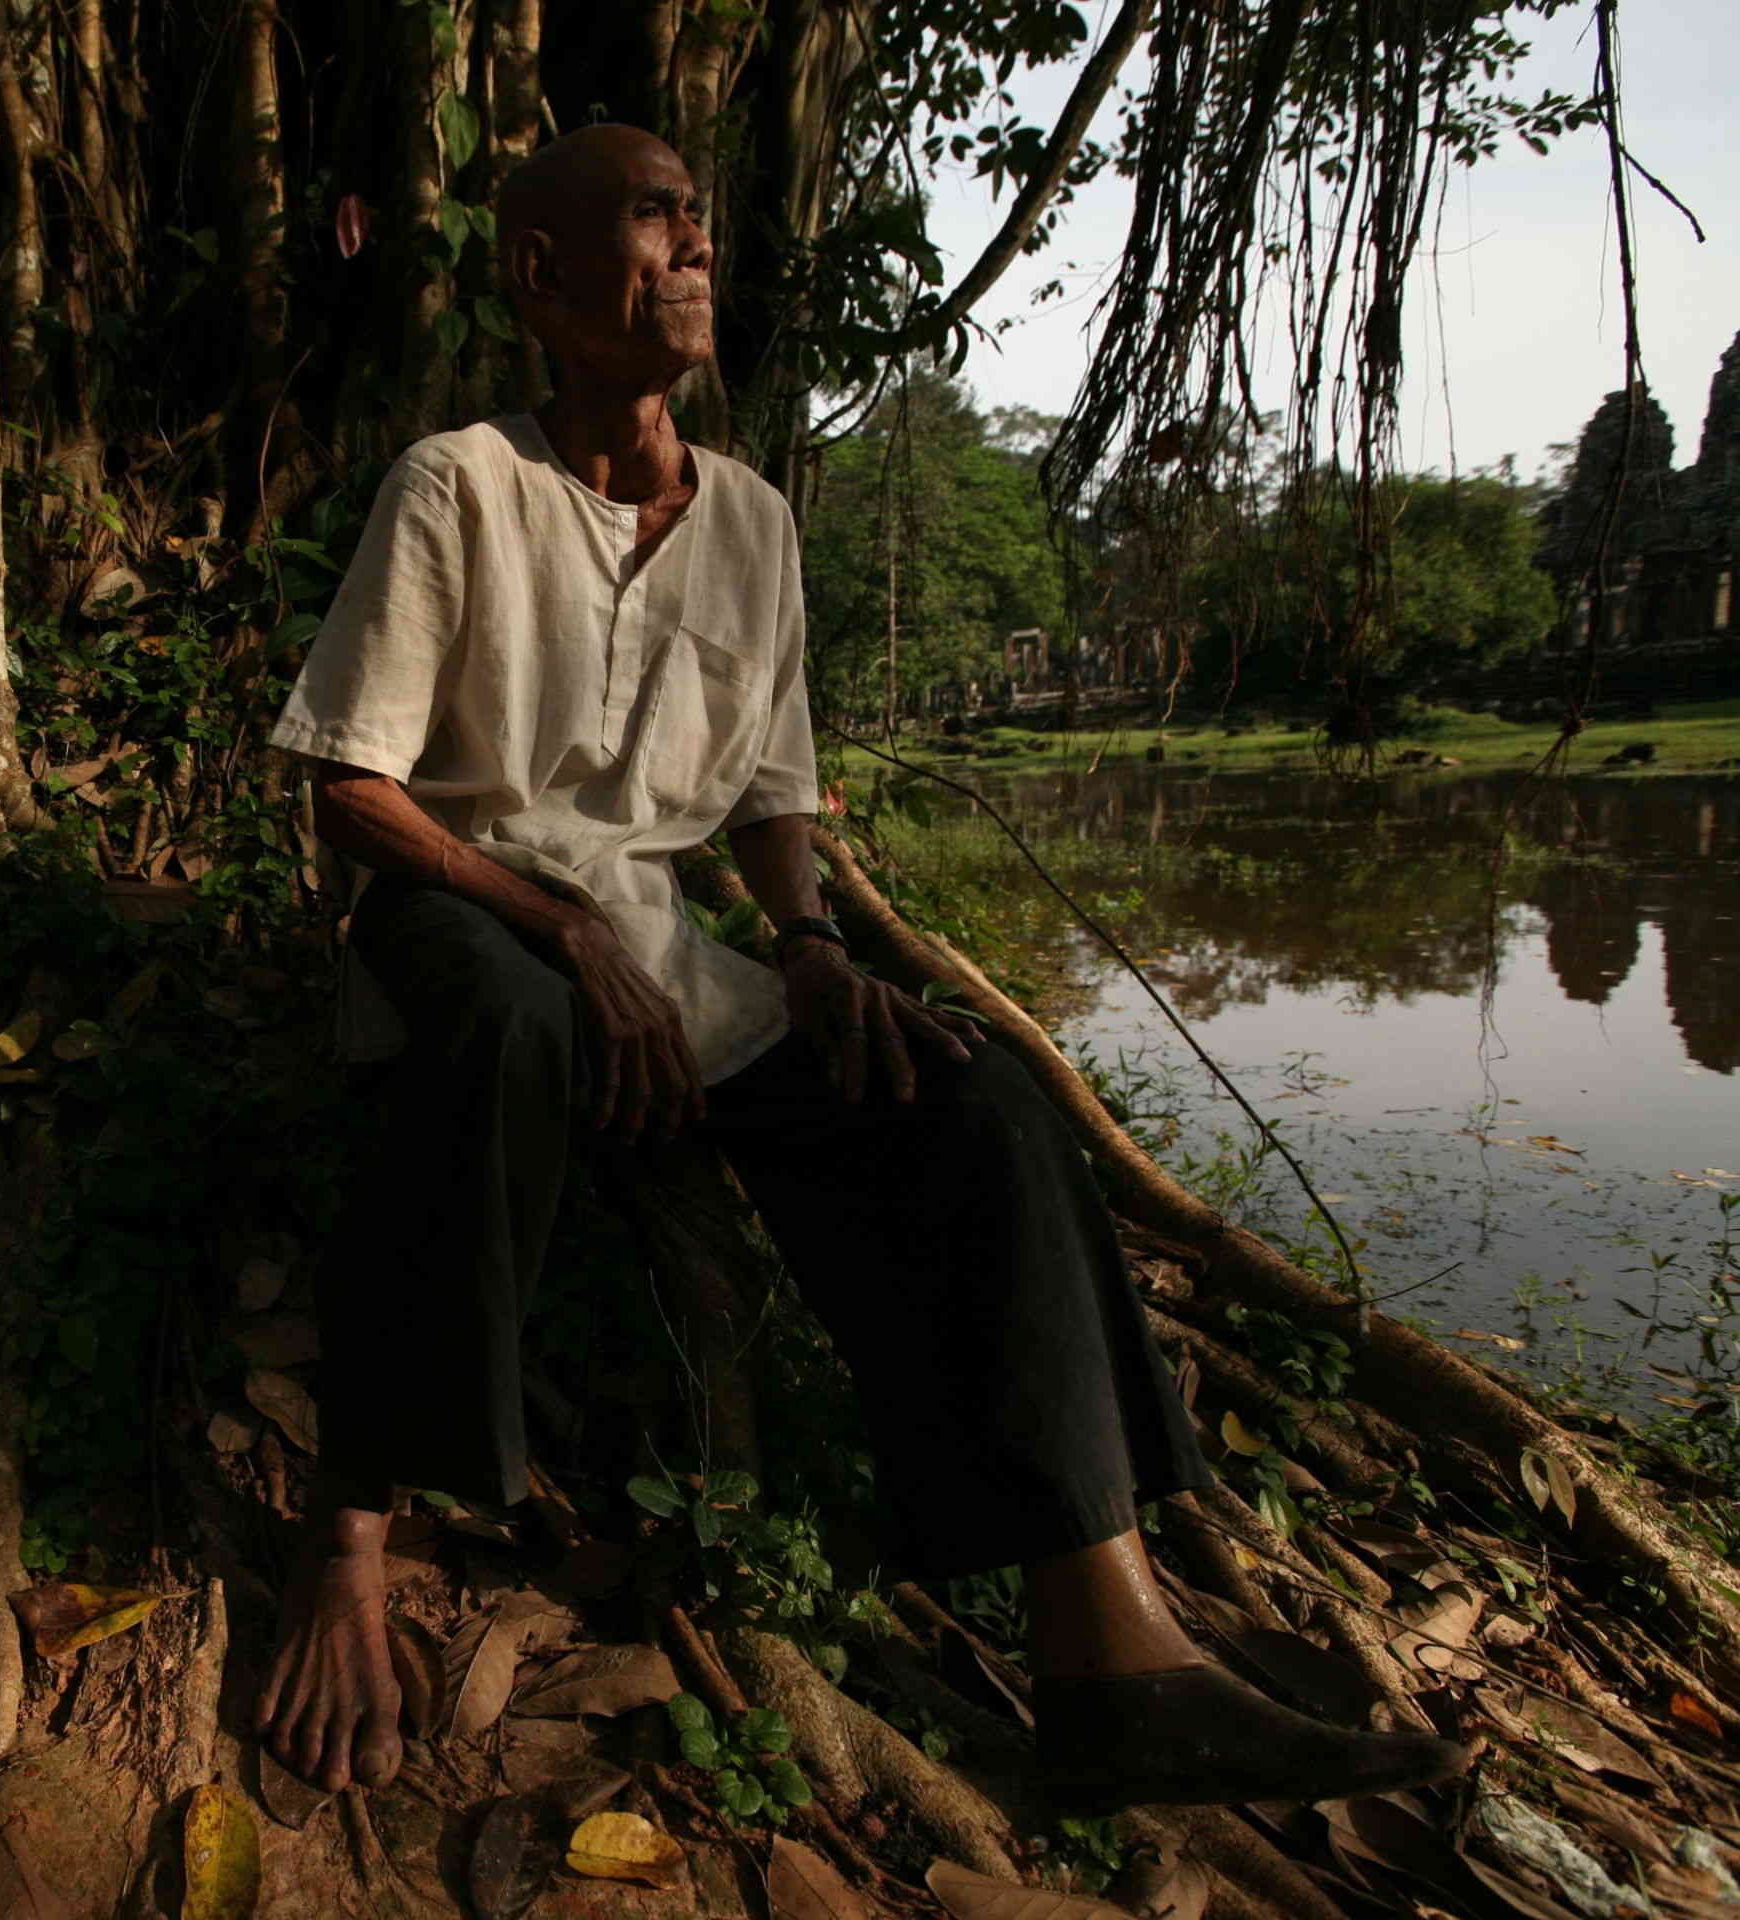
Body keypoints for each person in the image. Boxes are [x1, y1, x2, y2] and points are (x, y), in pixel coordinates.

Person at [252, 124, 1469, 1815]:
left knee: (969, 1105)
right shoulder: (460, 483)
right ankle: (353, 1534)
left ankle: (1112, 1653)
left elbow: (767, 795)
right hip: (473, 908)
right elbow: (351, 788)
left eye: (702, 225)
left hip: (672, 951)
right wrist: (563, 925)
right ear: (538, 276)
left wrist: (813, 946)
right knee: (512, 1036)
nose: (693, 255)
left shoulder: (750, 519)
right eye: (654, 221)